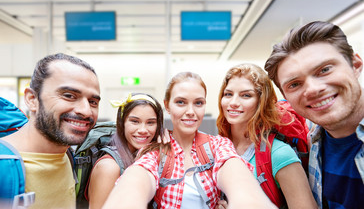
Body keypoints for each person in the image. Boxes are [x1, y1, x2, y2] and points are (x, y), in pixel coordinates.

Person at [103, 71, 276, 209]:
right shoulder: (155, 150)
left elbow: (235, 173)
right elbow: (138, 176)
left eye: (198, 103)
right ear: (167, 106)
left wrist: (247, 200)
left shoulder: (218, 145)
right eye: (181, 102)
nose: (191, 111)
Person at [264, 21, 364, 208]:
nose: (312, 90)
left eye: (324, 70)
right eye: (294, 84)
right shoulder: (314, 142)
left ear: (356, 65)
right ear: (286, 98)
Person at [1, 53, 101, 209]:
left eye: (93, 102)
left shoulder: (68, 155)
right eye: (69, 96)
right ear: (32, 99)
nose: (86, 111)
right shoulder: (4, 166)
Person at [216, 63, 317, 208]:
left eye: (246, 95)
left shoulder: (279, 153)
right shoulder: (216, 147)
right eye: (228, 94)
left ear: (261, 102)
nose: (233, 103)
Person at [87, 93, 165, 209]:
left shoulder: (150, 156)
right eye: (135, 121)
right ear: (122, 123)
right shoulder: (109, 167)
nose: (143, 130)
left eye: (150, 122)